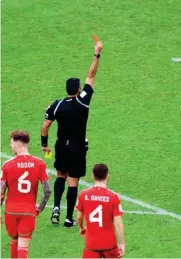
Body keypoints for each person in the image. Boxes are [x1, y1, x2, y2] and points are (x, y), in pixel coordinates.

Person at [40, 41, 103, 227]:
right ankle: (69, 218)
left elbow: (45, 127)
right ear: (78, 90)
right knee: (73, 181)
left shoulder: (57, 105)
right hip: (77, 147)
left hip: (61, 145)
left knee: (60, 175)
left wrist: (44, 144)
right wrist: (97, 54)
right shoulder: (83, 101)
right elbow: (91, 75)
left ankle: (56, 208)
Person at [1, 130, 51, 258]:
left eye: (11, 143)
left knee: (14, 240)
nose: (10, 146)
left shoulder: (7, 165)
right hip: (28, 211)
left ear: (17, 144)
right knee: (23, 247)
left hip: (10, 212)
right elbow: (47, 190)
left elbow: (1, 192)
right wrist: (39, 209)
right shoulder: (39, 163)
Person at [76, 163, 125, 258]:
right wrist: (122, 243)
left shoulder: (83, 195)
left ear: (92, 176)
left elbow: (79, 216)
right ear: (108, 176)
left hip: (91, 244)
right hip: (109, 244)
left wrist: (82, 227)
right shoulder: (113, 197)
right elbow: (118, 223)